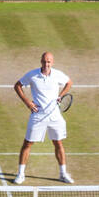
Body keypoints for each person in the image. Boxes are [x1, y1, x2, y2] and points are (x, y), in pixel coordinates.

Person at [13, 51, 73, 184]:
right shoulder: (32, 75)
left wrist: (61, 95)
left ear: (52, 62)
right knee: (27, 143)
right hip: (38, 115)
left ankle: (63, 173)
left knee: (58, 142)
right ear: (41, 61)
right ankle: (21, 174)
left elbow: (69, 82)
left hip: (55, 115)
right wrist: (27, 102)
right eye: (45, 61)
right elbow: (17, 86)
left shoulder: (57, 74)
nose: (47, 64)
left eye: (49, 62)